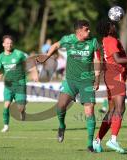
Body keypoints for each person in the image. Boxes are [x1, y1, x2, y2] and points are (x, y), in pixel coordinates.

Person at [36, 20, 101, 152]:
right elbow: (55, 45)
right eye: (86, 29)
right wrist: (47, 56)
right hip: (70, 80)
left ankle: (90, 145)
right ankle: (62, 126)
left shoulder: (93, 42)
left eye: (89, 29)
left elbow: (97, 60)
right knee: (60, 105)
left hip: (87, 81)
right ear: (79, 31)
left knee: (89, 112)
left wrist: (97, 79)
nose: (89, 31)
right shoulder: (69, 39)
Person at [93, 19, 127, 153]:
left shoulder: (107, 40)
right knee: (120, 108)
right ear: (107, 28)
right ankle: (113, 140)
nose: (114, 26)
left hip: (111, 75)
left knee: (111, 111)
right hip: (116, 77)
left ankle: (97, 140)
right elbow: (118, 59)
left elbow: (112, 59)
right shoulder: (111, 40)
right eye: (111, 25)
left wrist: (125, 68)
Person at [0, 35, 38, 132]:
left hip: (20, 84)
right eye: (7, 43)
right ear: (3, 44)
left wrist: (34, 73)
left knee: (20, 108)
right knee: (6, 105)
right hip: (8, 85)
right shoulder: (0, 57)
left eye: (10, 43)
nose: (9, 45)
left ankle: (23, 112)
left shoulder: (19, 54)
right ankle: (6, 125)